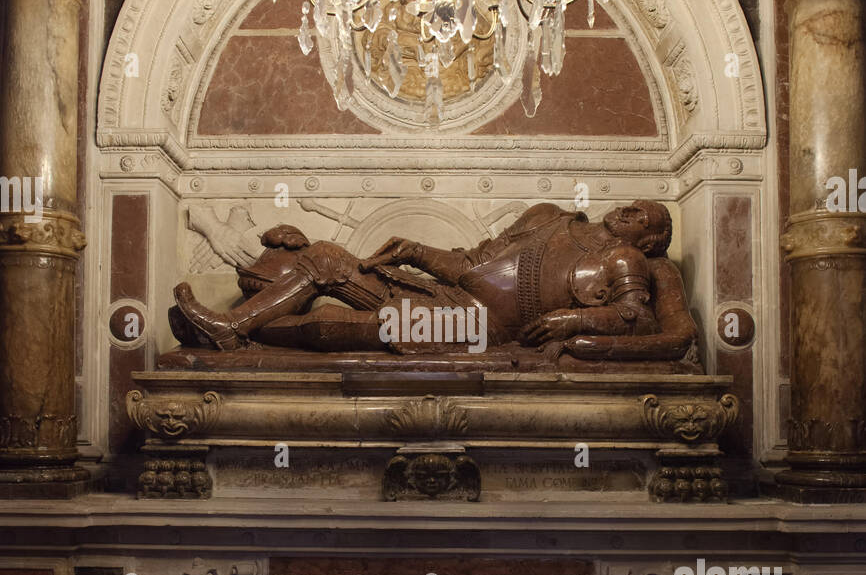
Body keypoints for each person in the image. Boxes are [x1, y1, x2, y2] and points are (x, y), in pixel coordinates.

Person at [170, 201, 698, 362]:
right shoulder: (548, 216)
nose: (631, 210)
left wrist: (573, 319)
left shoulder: (627, 260)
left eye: (647, 216)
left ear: (653, 243)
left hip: (475, 328)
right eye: (633, 206)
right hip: (445, 294)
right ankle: (230, 327)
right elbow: (473, 261)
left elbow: (647, 322)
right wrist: (415, 251)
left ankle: (241, 337)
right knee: (328, 258)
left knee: (345, 322)